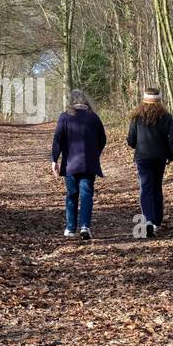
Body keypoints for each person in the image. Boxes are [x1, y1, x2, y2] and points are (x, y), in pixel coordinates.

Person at [50, 89, 106, 239]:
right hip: (89, 164)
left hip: (70, 165)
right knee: (86, 195)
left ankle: (70, 228)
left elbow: (58, 140)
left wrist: (54, 159)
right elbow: (103, 139)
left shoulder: (65, 117)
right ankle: (85, 226)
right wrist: (95, 153)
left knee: (72, 195)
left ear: (71, 101)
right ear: (85, 101)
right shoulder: (93, 118)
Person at [126, 86, 173, 238]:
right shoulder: (166, 116)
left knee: (146, 188)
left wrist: (137, 145)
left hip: (143, 157)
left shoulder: (136, 117)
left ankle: (148, 220)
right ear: (159, 100)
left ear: (144, 99)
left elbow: (131, 139)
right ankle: (157, 221)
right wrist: (170, 154)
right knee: (156, 187)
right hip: (160, 157)